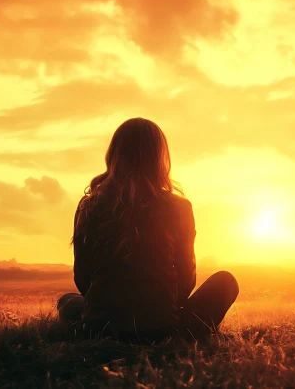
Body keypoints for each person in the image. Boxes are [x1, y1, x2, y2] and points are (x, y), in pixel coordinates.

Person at [57, 118, 238, 342]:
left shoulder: (89, 206)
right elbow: (186, 279)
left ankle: (98, 323)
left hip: (100, 328)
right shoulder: (179, 207)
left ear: (114, 155)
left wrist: (109, 310)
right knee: (226, 282)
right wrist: (158, 311)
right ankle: (187, 333)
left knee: (67, 301)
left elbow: (82, 277)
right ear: (160, 158)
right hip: (161, 330)